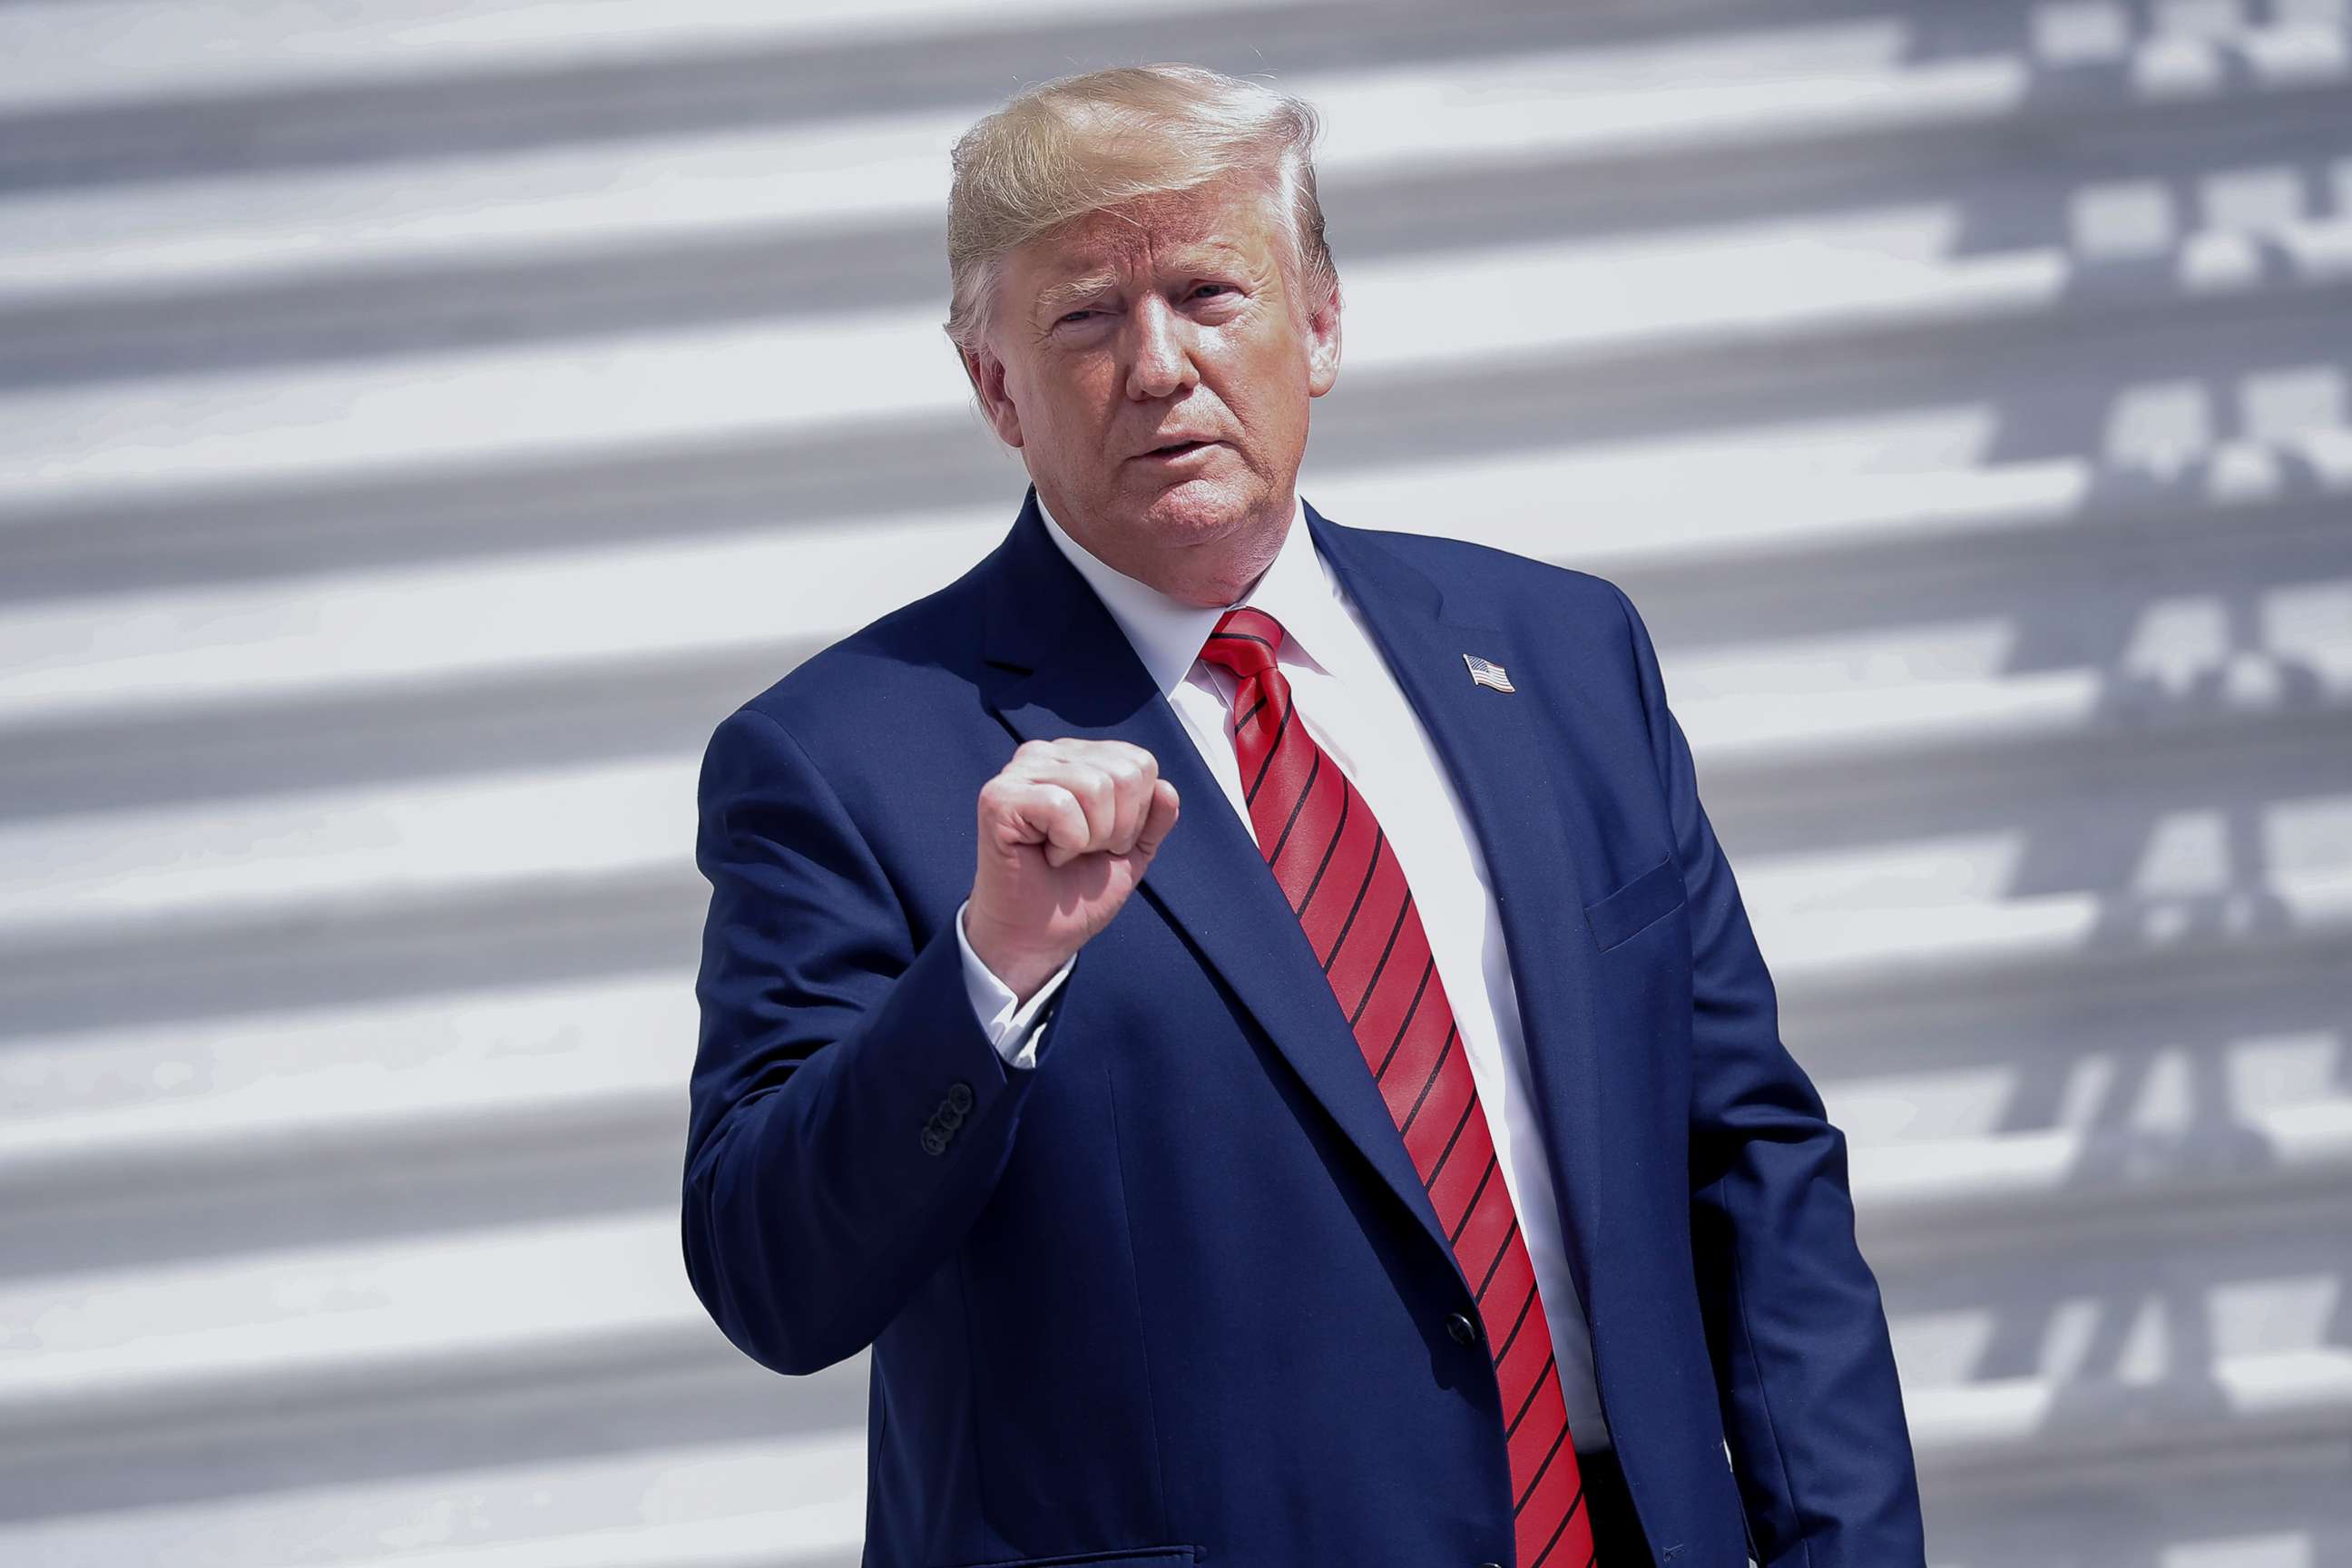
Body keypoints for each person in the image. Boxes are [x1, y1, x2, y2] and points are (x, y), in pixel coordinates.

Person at [681, 62, 1926, 1568]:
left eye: (1211, 292)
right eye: (1084, 316)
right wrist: (990, 978)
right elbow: (776, 1284)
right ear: (995, 387)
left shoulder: (1561, 653)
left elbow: (1751, 1166)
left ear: (1319, 322)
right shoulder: (843, 757)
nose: (1158, 366)